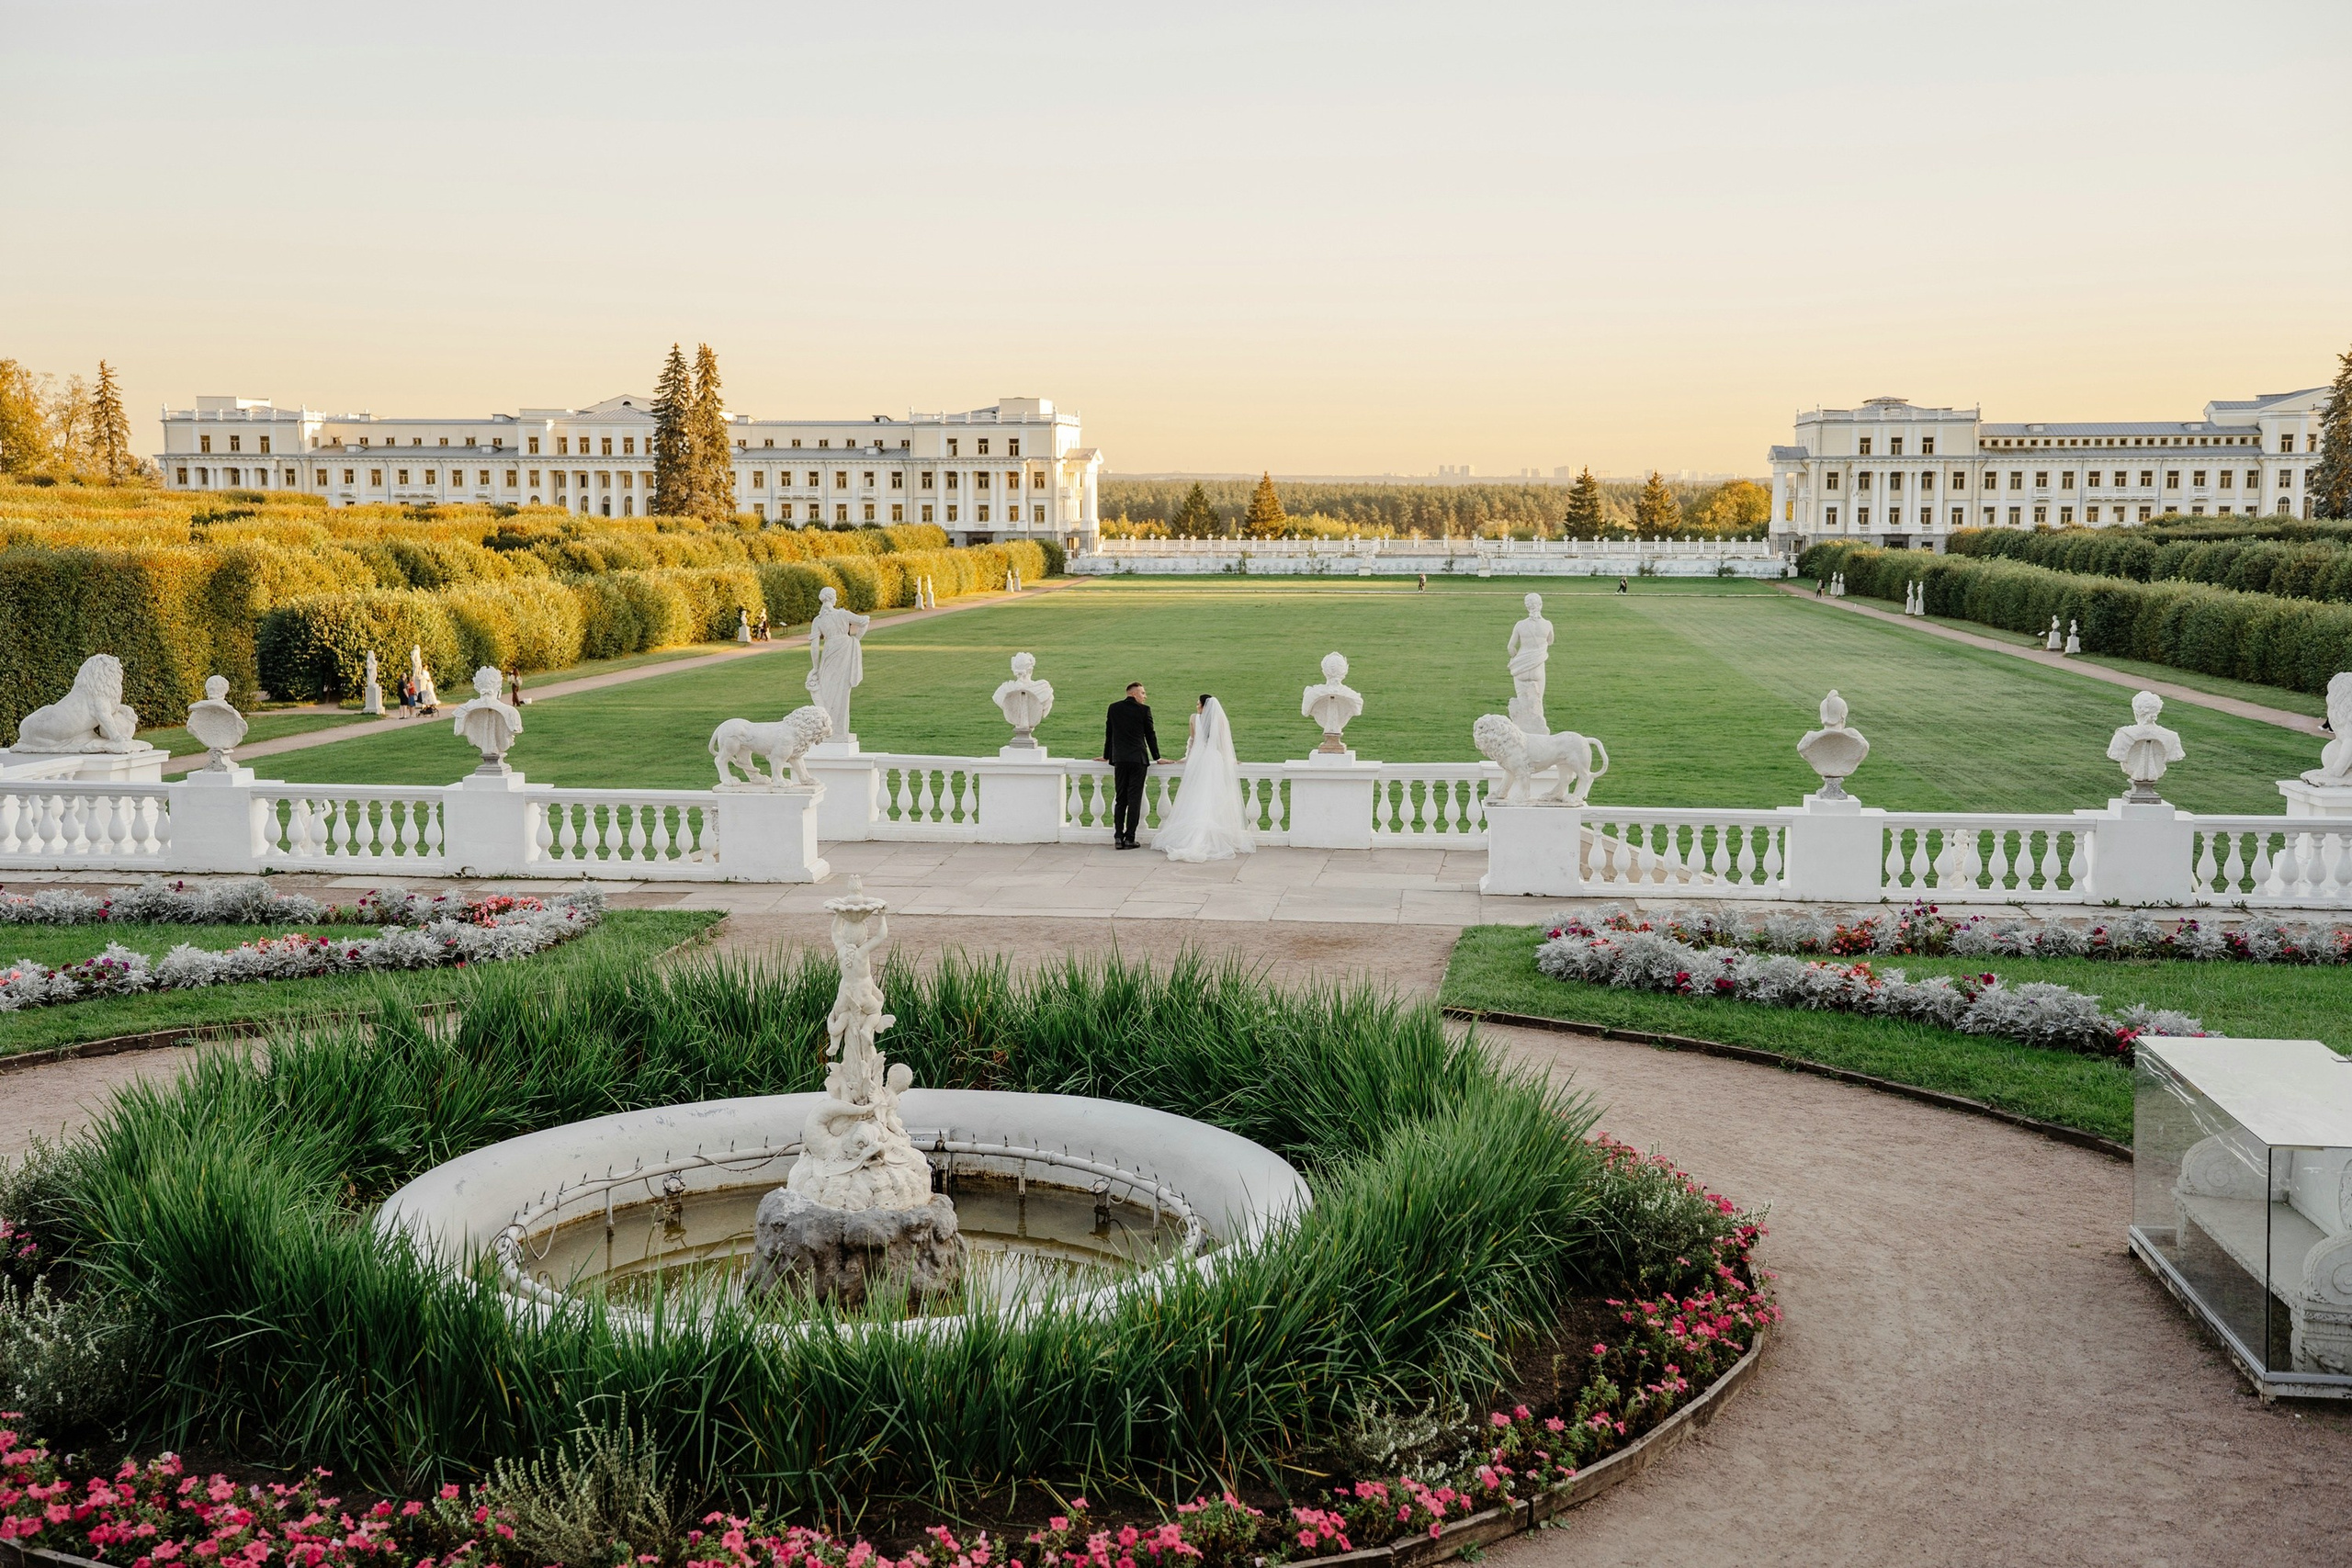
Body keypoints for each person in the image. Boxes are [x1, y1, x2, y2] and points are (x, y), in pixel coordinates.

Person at [1154, 694, 1254, 863]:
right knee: (1214, 797)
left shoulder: (1194, 718)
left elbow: (1192, 741)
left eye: (1198, 703)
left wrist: (1187, 758)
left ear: (1202, 706)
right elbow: (1223, 745)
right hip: (1214, 760)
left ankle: (1194, 837)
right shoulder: (1219, 720)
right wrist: (1230, 760)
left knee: (1195, 796)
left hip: (1198, 760)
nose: (1196, 706)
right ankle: (1211, 837)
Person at [1100, 682, 1159, 850]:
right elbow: (1150, 735)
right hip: (1138, 760)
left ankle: (1118, 837)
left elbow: (1109, 733)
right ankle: (1130, 838)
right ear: (1134, 694)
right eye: (1143, 693)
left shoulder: (1113, 708)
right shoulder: (1144, 710)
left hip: (1119, 759)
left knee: (1120, 799)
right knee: (1134, 800)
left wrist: (1106, 755)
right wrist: (1158, 757)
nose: (1145, 696)